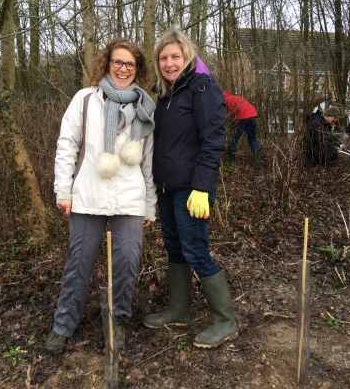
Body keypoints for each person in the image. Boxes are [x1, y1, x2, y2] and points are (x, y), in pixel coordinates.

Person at [45, 38, 157, 354]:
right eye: (117, 62)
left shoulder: (146, 108)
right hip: (88, 194)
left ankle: (118, 321)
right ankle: (63, 325)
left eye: (130, 64)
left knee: (126, 261)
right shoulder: (85, 100)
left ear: (138, 69)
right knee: (79, 262)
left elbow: (149, 161)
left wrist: (149, 205)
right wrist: (62, 190)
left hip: (130, 198)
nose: (123, 69)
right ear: (107, 64)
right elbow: (67, 145)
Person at [143, 29, 239, 349]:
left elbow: (213, 141)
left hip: (191, 190)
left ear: (186, 57)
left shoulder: (202, 88)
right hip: (168, 188)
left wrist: (202, 187)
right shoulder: (166, 94)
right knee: (175, 249)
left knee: (196, 250)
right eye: (163, 58)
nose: (169, 63)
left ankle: (226, 322)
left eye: (175, 56)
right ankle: (178, 310)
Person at [222, 92, 262, 164]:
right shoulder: (237, 97)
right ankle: (258, 159)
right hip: (253, 115)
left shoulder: (223, 100)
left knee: (233, 139)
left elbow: (224, 114)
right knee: (252, 138)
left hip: (241, 117)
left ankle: (232, 161)